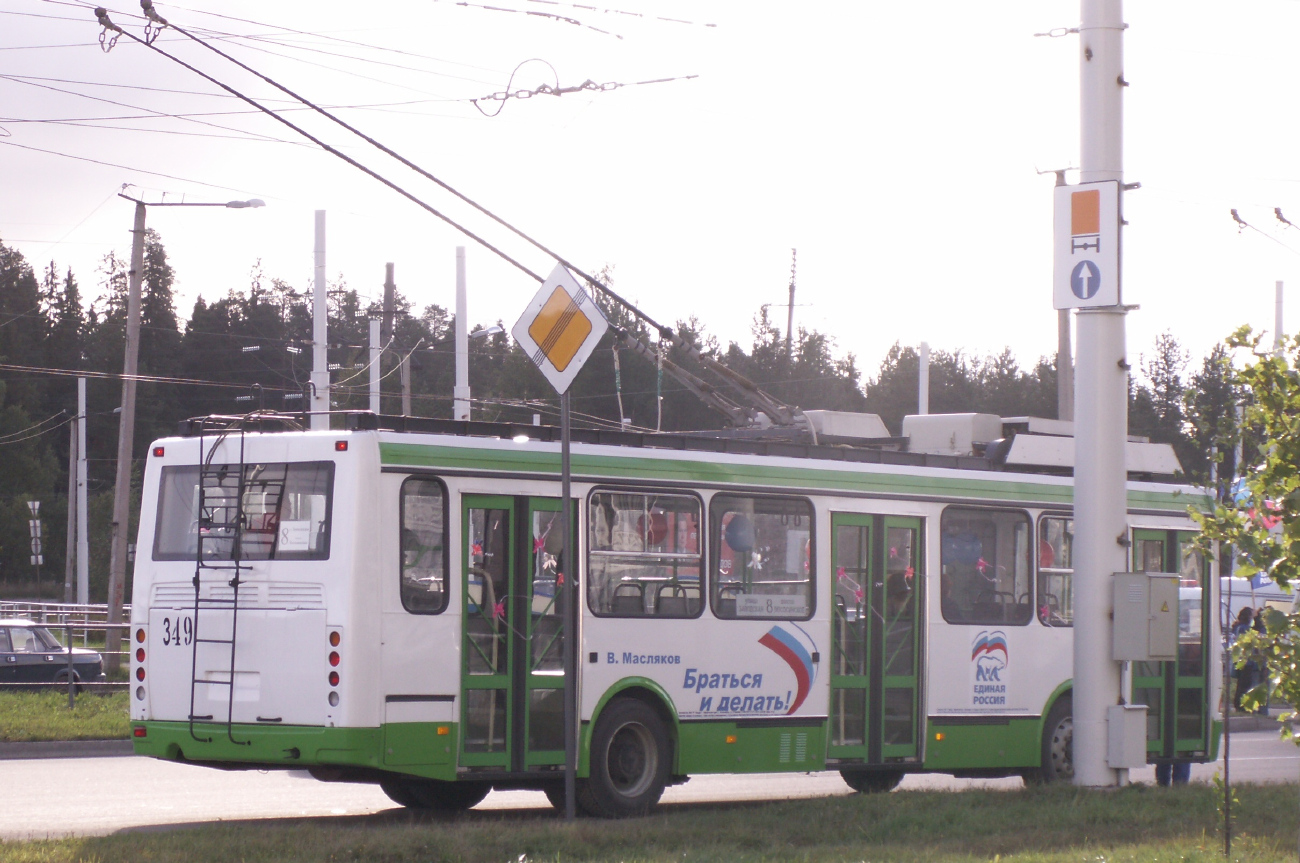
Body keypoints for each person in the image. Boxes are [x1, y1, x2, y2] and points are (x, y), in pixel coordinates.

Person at [1230, 606, 1258, 712]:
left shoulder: (1238, 627)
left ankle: (1239, 704)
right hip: (1246, 660)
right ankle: (1241, 705)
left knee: (1241, 684)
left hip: (1241, 659)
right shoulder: (1244, 628)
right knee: (1245, 684)